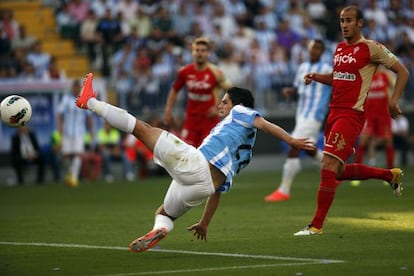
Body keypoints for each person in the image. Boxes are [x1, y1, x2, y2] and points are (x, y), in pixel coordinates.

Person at [76, 73, 315, 252]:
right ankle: (158, 230)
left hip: (195, 164)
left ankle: (91, 102)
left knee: (143, 128)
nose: (220, 105)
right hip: (204, 187)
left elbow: (264, 123)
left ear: (236, 103)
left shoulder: (240, 111)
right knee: (165, 214)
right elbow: (219, 191)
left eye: (224, 101)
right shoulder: (245, 153)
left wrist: (292, 140)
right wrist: (204, 223)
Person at [293, 5, 409, 236]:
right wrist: (316, 77)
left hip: (351, 115)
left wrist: (392, 101)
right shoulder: (338, 49)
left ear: (360, 23)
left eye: (349, 20)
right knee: (336, 171)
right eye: (341, 21)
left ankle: (316, 226)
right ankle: (389, 175)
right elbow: (338, 79)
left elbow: (403, 71)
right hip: (333, 113)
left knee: (327, 165)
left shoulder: (372, 48)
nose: (344, 25)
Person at [264, 39, 332, 202]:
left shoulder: (327, 69)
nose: (314, 50)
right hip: (301, 114)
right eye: (312, 47)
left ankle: (284, 189)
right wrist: (291, 91)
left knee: (293, 145)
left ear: (322, 51)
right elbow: (299, 87)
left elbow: (334, 84)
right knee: (309, 147)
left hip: (314, 114)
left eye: (317, 48)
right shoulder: (302, 67)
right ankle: (334, 170)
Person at [164, 37, 232, 147]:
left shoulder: (216, 72)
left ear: (208, 53)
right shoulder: (184, 72)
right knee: (186, 153)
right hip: (191, 121)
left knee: (207, 155)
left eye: (203, 50)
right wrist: (168, 110)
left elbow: (231, 92)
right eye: (197, 50)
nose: (200, 53)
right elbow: (174, 90)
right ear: (192, 53)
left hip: (209, 121)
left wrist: (219, 109)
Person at [354, 66, 395, 169]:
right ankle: (357, 170)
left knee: (388, 140)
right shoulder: (366, 75)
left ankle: (391, 172)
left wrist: (392, 102)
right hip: (369, 114)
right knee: (363, 140)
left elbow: (394, 88)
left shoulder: (385, 75)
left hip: (383, 114)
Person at [57, 79, 94, 187]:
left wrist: (91, 130)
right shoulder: (66, 99)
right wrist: (60, 126)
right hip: (67, 131)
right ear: (72, 88)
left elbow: (89, 117)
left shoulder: (84, 100)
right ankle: (70, 173)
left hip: (79, 131)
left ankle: (74, 178)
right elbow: (59, 113)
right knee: (65, 155)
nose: (76, 89)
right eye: (74, 87)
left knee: (78, 154)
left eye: (77, 87)